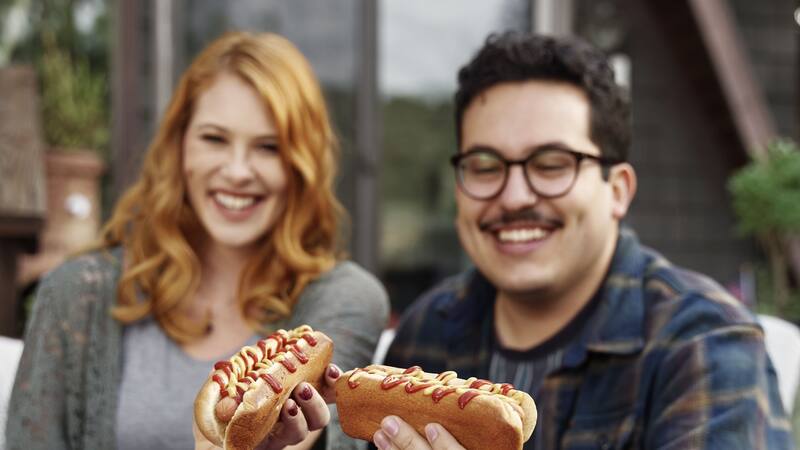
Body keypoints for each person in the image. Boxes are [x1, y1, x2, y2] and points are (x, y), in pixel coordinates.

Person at [376, 32, 794, 449]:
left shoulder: (704, 343)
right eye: (485, 166)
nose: (515, 196)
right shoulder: (426, 331)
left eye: (552, 164)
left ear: (618, 190)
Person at [6, 31, 388, 450]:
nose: (238, 170)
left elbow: (319, 430)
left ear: (301, 164)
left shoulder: (345, 298)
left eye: (267, 147)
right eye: (214, 139)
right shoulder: (75, 295)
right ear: (179, 145)